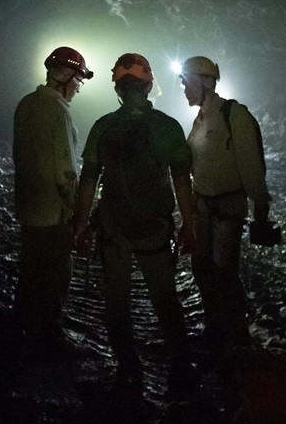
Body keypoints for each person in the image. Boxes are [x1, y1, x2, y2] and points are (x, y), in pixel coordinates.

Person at [72, 53, 198, 393]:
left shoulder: (103, 126)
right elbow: (182, 178)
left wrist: (80, 224)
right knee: (164, 298)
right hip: (152, 228)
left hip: (113, 229)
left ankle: (128, 368)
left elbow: (88, 180)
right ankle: (181, 367)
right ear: (149, 85)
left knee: (117, 301)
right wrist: (190, 223)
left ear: (117, 87)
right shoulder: (167, 126)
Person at [179, 55, 274, 351]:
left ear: (207, 82)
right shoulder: (199, 120)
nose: (185, 90)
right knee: (201, 268)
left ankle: (237, 337)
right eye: (183, 84)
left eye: (189, 83)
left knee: (224, 273)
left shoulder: (234, 115)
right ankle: (215, 327)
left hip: (227, 210)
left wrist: (260, 207)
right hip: (203, 208)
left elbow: (251, 165)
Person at [11, 45, 93, 356]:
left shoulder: (26, 104)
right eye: (78, 81)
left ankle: (21, 329)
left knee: (29, 272)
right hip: (54, 213)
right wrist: (77, 214)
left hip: (29, 209)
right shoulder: (58, 111)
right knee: (56, 275)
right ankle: (48, 335)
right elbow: (66, 170)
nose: (78, 88)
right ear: (67, 77)